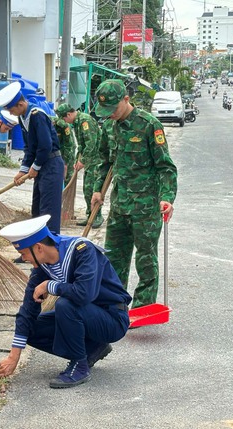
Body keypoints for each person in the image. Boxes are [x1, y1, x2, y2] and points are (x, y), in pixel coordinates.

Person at [0, 215, 131, 388]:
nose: (24, 259)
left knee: (65, 305)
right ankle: (93, 348)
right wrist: (14, 356)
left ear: (38, 248)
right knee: (31, 328)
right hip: (87, 317)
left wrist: (51, 286)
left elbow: (84, 294)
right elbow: (28, 310)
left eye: (24, 254)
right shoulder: (42, 266)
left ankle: (80, 366)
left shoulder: (83, 250)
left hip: (113, 318)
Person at [91, 79, 177, 309]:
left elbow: (166, 167)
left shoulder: (149, 125)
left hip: (146, 207)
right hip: (119, 205)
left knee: (146, 259)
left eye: (113, 109)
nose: (110, 115)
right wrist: (98, 189)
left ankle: (143, 307)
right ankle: (114, 305)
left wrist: (167, 197)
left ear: (126, 100)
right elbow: (105, 162)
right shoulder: (108, 127)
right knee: (113, 258)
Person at [0, 81, 64, 234]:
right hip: (42, 164)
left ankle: (49, 252)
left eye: (11, 110)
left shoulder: (37, 115)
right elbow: (29, 148)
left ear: (20, 104)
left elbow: (45, 145)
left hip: (51, 164)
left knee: (48, 212)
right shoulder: (23, 117)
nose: (10, 114)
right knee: (37, 210)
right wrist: (23, 170)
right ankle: (34, 251)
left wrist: (35, 167)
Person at [56, 103, 104, 228]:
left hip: (96, 160)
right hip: (89, 160)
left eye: (64, 119)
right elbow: (81, 145)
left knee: (93, 189)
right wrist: (78, 158)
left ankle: (97, 216)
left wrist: (83, 160)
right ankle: (90, 215)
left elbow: (91, 144)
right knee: (87, 189)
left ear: (69, 114)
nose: (65, 122)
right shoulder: (77, 123)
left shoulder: (84, 121)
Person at [49, 115, 75, 184]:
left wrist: (66, 163)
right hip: (56, 152)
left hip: (68, 151)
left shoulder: (63, 126)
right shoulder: (45, 123)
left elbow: (69, 145)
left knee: (67, 175)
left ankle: (67, 193)